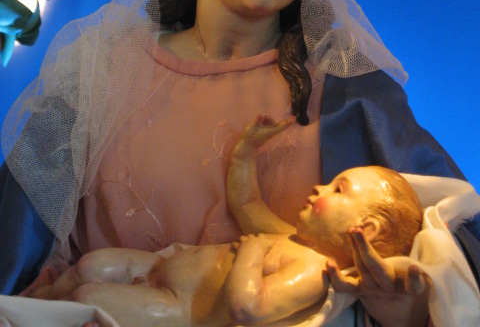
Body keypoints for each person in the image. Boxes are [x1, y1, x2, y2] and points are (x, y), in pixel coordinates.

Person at [1, 0, 479, 327]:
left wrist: (406, 308)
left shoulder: (349, 96)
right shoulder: (100, 73)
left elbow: (447, 263)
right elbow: (15, 259)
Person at [26, 116, 424, 327]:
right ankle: (27, 304)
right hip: (161, 266)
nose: (320, 187)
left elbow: (247, 309)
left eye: (338, 190)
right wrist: (245, 152)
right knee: (89, 266)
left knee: (87, 300)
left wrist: (250, 253)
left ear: (366, 229)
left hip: (180, 309)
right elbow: (247, 203)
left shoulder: (314, 272)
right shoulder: (291, 238)